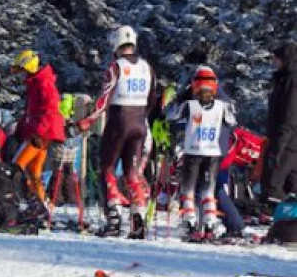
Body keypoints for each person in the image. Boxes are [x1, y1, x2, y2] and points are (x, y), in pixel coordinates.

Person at [76, 26, 158, 238]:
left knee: (108, 168)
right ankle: (138, 215)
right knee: (132, 172)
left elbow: (104, 98)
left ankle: (114, 218)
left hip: (119, 120)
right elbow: (153, 97)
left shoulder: (116, 66)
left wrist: (89, 119)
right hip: (140, 121)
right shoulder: (147, 67)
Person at [167, 66, 237, 238]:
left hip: (193, 151)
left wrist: (177, 100)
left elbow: (171, 115)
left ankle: (189, 221)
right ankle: (210, 222)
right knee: (208, 189)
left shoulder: (189, 105)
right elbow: (232, 120)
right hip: (213, 153)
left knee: (188, 189)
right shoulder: (222, 106)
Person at [9, 49, 65, 222]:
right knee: (34, 172)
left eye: (22, 70)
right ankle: (41, 207)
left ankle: (35, 205)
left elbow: (50, 110)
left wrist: (38, 132)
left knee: (17, 166)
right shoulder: (35, 83)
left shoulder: (43, 83)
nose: (21, 75)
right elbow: (31, 112)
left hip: (41, 134)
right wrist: (21, 130)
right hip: (39, 133)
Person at [260, 42, 297, 214]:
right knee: (291, 185)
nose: (274, 63)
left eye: (277, 59)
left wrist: (278, 145)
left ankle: (277, 219)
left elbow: (289, 114)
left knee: (273, 183)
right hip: (288, 140)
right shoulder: (284, 79)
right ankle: (288, 223)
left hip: (287, 140)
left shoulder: (291, 81)